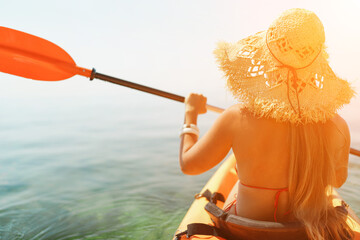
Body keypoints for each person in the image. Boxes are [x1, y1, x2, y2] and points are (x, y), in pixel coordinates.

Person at [179, 8, 354, 240]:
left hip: (247, 230)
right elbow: (337, 179)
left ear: (264, 61)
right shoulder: (338, 126)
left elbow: (189, 165)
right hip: (304, 231)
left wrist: (190, 115)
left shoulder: (237, 117)